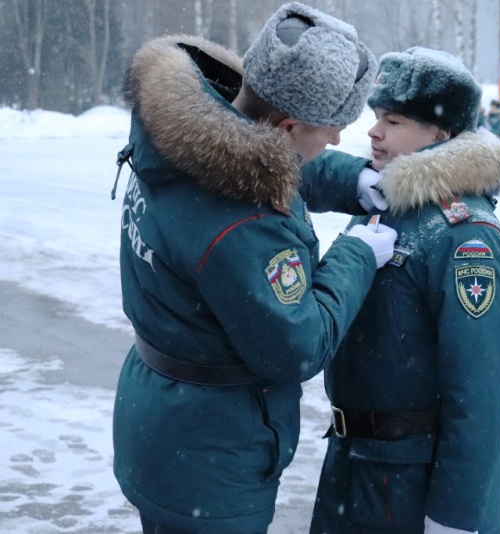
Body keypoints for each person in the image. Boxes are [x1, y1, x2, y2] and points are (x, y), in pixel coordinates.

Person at [111, 3, 398, 533]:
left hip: (163, 421)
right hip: (212, 452)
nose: (336, 141)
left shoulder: (185, 132)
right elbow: (298, 344)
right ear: (289, 125)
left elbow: (253, 154)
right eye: (331, 130)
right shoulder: (242, 227)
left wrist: (349, 180)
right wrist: (358, 253)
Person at [302, 47, 500, 534]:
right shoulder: (386, 199)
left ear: (441, 134)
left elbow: (481, 388)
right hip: (353, 460)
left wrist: (455, 516)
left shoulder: (465, 234)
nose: (374, 131)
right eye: (377, 117)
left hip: (407, 480)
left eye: (394, 121)